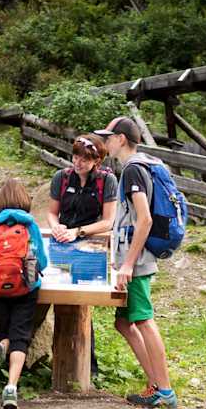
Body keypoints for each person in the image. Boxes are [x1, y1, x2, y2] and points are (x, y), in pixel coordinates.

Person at [94, 117, 177, 409]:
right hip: (134, 256)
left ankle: (164, 390)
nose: (105, 143)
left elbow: (145, 219)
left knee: (142, 319)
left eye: (108, 137)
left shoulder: (132, 170)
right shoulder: (147, 163)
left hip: (137, 260)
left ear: (121, 139)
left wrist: (127, 264)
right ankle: (155, 383)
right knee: (123, 322)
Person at [46, 133, 117, 379]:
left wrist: (80, 232)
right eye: (76, 156)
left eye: (85, 159)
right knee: (56, 294)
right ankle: (56, 356)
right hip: (62, 242)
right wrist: (56, 226)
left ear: (96, 160)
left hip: (90, 244)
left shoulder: (107, 181)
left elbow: (109, 221)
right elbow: (52, 213)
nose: (78, 162)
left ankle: (89, 365)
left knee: (81, 301)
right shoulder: (61, 178)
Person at [0, 179, 48, 409]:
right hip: (26, 289)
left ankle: (0, 343)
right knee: (21, 337)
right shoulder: (30, 224)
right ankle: (11, 387)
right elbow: (42, 260)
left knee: (6, 330)